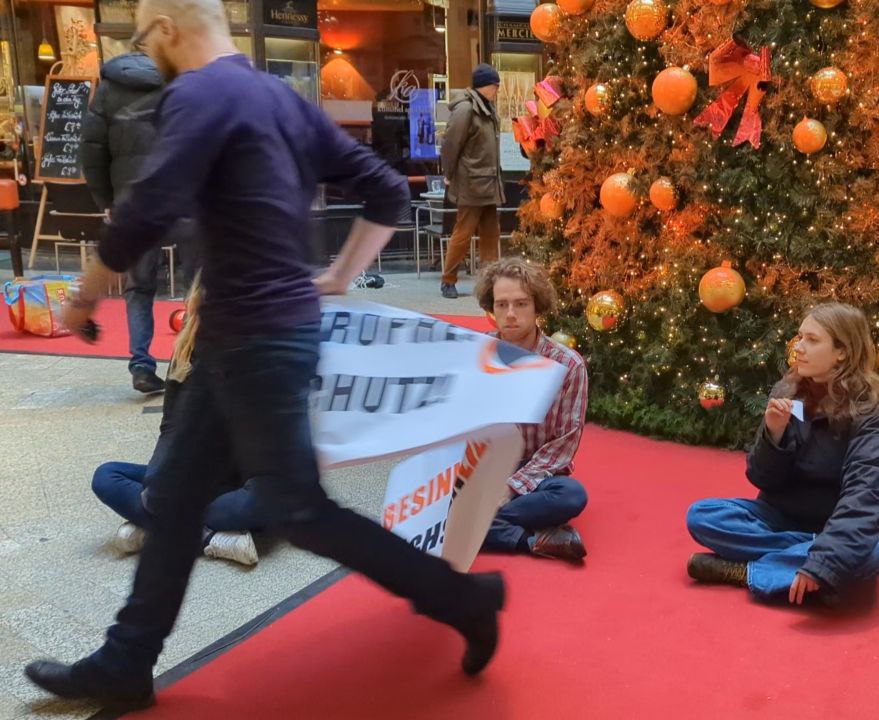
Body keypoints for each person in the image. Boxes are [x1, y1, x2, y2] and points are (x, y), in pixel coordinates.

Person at [27, 0, 505, 710]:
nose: (145, 51)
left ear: (166, 31)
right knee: (178, 499)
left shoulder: (196, 91)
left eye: (143, 38)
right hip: (253, 333)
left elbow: (148, 204)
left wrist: (83, 295)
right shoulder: (283, 99)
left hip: (254, 338)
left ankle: (463, 599)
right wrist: (340, 275)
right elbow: (379, 188)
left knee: (298, 511)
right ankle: (127, 661)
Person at [685, 303, 879, 606]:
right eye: (799, 337)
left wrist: (825, 557)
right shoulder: (787, 391)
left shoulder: (872, 413)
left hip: (839, 520)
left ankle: (747, 572)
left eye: (812, 340)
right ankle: (803, 562)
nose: (799, 347)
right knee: (702, 516)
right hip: (782, 515)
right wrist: (773, 434)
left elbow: (866, 498)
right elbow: (761, 478)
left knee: (875, 552)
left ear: (842, 351)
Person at [92, 278, 261, 566]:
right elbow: (169, 428)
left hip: (234, 479)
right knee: (105, 475)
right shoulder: (185, 354)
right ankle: (207, 538)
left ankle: (152, 527)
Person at [80, 51, 197, 395]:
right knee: (197, 286)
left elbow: (92, 152)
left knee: (139, 288)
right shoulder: (182, 80)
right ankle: (190, 361)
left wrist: (109, 202)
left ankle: (142, 365)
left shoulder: (109, 89)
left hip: (133, 205)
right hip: (185, 199)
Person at [475, 258, 589, 561]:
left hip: (540, 474)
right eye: (501, 305)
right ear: (491, 308)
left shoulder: (568, 364)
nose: (510, 314)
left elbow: (562, 447)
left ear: (537, 306)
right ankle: (530, 540)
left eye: (521, 304)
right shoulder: (475, 353)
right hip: (486, 467)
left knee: (572, 495)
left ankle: (476, 525)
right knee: (435, 499)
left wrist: (511, 488)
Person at [439, 63, 505, 300]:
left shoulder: (487, 108)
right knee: (463, 232)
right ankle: (448, 280)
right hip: (471, 182)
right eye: (496, 86)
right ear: (486, 86)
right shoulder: (466, 109)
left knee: (491, 233)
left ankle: (489, 283)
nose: (497, 91)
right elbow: (450, 144)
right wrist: (448, 173)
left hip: (488, 181)